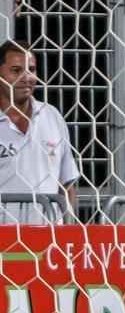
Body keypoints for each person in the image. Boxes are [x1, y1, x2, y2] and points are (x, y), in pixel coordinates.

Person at [0, 40, 79, 224]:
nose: (26, 77)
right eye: (16, 70)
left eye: (32, 69)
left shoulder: (51, 116)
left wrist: (68, 230)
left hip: (47, 240)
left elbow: (66, 183)